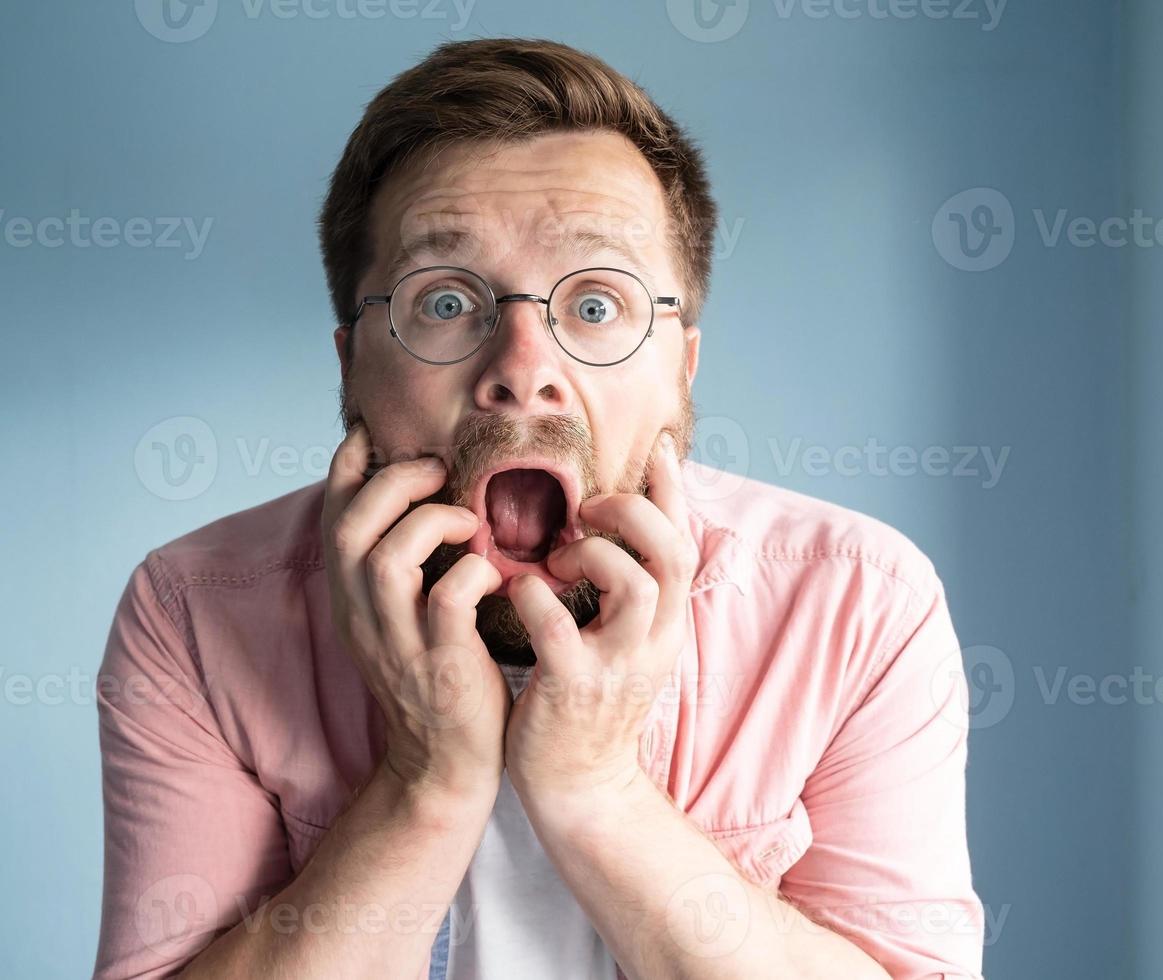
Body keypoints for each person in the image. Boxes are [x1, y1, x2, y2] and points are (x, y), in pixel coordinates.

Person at [92, 37, 985, 980]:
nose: (522, 371)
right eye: (444, 302)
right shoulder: (193, 612)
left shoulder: (857, 605)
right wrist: (423, 784)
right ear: (351, 358)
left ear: (681, 365)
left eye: (596, 306)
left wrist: (597, 791)